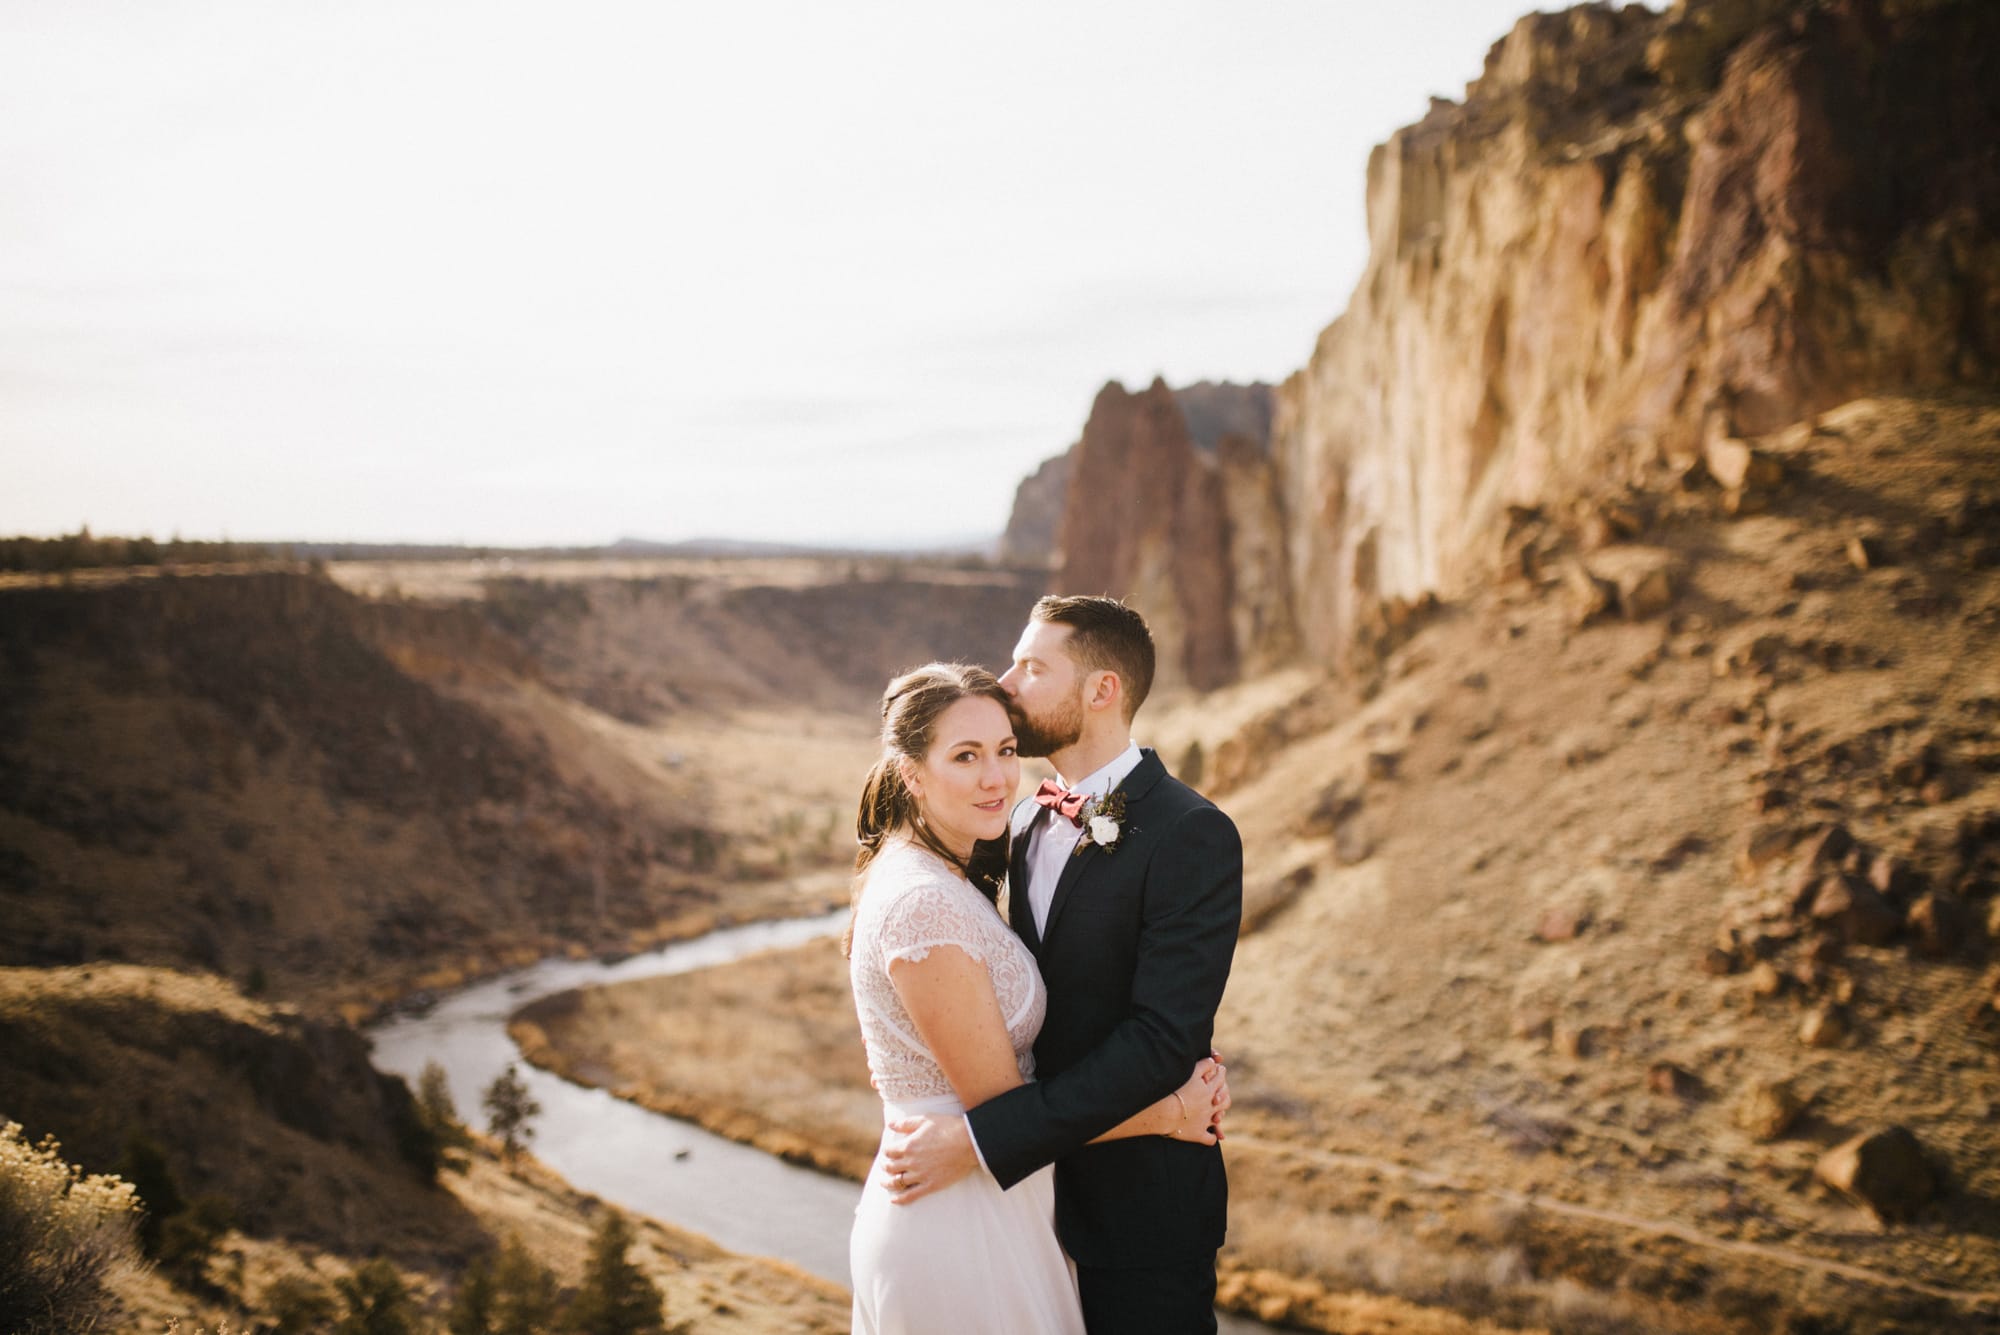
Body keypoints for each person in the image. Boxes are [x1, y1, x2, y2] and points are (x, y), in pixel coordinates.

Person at [881, 597, 1242, 1334]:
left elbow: (1159, 1040)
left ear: (1101, 690)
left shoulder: (1192, 833)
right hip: (1024, 1208)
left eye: (1033, 667)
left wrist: (985, 1140)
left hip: (1140, 1215)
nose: (1007, 683)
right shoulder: (1021, 818)